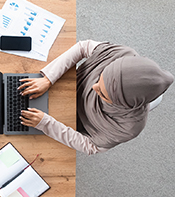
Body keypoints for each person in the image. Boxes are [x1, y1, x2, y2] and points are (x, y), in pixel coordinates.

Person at [18, 40, 174, 155]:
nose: (94, 87)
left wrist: (46, 124)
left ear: (121, 104)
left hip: (73, 122)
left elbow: (91, 146)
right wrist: (48, 78)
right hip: (65, 86)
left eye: (103, 94)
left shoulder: (129, 128)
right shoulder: (122, 54)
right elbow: (83, 47)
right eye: (100, 77)